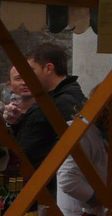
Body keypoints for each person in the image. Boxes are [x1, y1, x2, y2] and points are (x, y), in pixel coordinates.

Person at [12, 42, 85, 175]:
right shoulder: (50, 98)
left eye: (31, 71)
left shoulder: (65, 101)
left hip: (48, 188)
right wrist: (15, 123)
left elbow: (67, 152)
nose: (26, 78)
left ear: (48, 68)